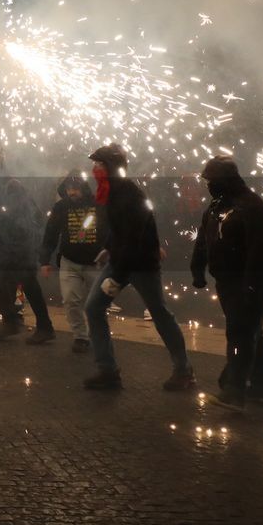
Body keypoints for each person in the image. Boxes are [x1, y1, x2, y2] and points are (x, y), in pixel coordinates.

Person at [81, 144, 195, 390]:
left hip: (141, 264)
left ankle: (184, 370)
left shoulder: (131, 194)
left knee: (159, 314)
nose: (95, 169)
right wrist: (109, 248)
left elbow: (133, 238)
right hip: (121, 260)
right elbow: (118, 229)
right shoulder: (112, 191)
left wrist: (116, 276)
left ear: (112, 167)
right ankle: (107, 370)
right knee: (93, 308)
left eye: (100, 164)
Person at [190, 156, 263, 410]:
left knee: (240, 332)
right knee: (251, 331)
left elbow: (260, 251)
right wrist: (197, 267)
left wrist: (251, 286)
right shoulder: (218, 205)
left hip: (254, 280)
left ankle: (234, 389)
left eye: (211, 180)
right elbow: (204, 237)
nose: (208, 185)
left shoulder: (253, 208)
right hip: (229, 280)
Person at [0, 173, 55, 344]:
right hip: (17, 252)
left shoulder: (14, 197)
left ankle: (30, 324)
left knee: (20, 286)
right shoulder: (21, 197)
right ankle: (17, 321)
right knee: (15, 286)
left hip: (19, 252)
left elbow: (13, 225)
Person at [39, 174, 104, 353]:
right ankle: (81, 337)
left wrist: (109, 250)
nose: (72, 192)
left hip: (95, 262)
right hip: (70, 261)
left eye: (75, 188)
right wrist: (44, 259)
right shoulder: (61, 207)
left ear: (83, 188)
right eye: (68, 189)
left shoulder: (97, 204)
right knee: (70, 301)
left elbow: (108, 228)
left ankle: (98, 335)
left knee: (96, 303)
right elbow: (50, 233)